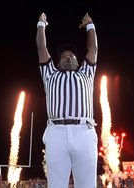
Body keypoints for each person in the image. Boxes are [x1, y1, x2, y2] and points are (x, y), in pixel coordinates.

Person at [36, 12, 98, 188]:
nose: (68, 57)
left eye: (71, 56)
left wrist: (90, 26)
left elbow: (93, 49)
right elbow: (41, 48)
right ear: (57, 62)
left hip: (84, 130)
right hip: (56, 131)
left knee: (87, 184)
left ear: (79, 62)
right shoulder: (50, 74)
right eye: (63, 56)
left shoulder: (86, 72)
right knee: (56, 184)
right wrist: (41, 24)